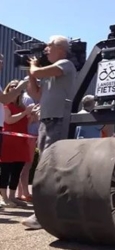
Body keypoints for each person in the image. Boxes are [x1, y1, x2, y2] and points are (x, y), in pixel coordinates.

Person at [21, 35, 77, 229]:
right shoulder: (50, 74)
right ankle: (51, 213)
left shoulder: (66, 64)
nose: (45, 49)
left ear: (61, 48)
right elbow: (36, 94)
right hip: (46, 122)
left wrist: (34, 67)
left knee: (48, 168)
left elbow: (37, 72)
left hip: (58, 122)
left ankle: (42, 214)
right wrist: (31, 73)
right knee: (47, 168)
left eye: (48, 46)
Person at [0, 54, 29, 209]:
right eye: (11, 86)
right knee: (6, 169)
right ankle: (4, 197)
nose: (2, 64)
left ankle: (12, 196)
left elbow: (27, 121)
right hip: (9, 139)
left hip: (20, 141)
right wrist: (19, 87)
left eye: (3, 61)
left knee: (17, 169)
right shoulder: (7, 104)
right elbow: (9, 120)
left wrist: (33, 113)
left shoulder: (22, 106)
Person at [17, 90, 40, 202]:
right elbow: (29, 119)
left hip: (30, 135)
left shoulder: (26, 98)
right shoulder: (28, 99)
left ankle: (21, 193)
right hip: (29, 135)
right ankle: (25, 193)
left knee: (26, 165)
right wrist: (34, 114)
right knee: (26, 165)